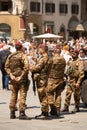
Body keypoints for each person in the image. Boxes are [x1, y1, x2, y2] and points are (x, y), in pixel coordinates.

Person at [5, 41, 30, 120]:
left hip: (13, 79)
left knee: (13, 95)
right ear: (21, 47)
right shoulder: (23, 56)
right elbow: (26, 67)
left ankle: (12, 113)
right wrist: (21, 76)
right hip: (21, 79)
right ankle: (22, 113)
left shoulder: (10, 56)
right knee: (22, 94)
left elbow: (6, 66)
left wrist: (11, 75)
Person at [29, 43, 49, 119]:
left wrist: (29, 66)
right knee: (42, 96)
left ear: (43, 49)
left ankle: (45, 113)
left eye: (39, 49)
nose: (38, 50)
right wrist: (36, 60)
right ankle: (43, 112)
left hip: (41, 80)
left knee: (43, 96)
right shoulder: (44, 57)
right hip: (43, 79)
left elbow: (37, 68)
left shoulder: (44, 58)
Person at [46, 46, 66, 117]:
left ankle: (53, 107)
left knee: (49, 92)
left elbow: (48, 68)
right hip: (60, 79)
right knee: (58, 94)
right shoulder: (63, 59)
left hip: (52, 79)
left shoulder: (52, 59)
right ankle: (58, 109)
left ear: (54, 52)